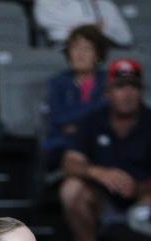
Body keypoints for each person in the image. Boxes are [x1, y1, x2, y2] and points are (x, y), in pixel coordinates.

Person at [60, 58, 151, 241]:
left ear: (141, 91)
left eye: (133, 87)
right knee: (71, 189)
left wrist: (140, 188)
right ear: (107, 92)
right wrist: (98, 172)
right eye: (120, 87)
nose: (127, 93)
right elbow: (69, 163)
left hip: (144, 202)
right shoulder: (93, 120)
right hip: (102, 201)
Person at [43, 24, 108, 171]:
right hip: (64, 145)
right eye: (75, 48)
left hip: (102, 144)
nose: (80, 54)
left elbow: (112, 119)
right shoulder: (57, 82)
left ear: (98, 55)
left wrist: (76, 124)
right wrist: (99, 104)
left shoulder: (109, 81)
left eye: (87, 49)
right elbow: (59, 118)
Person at [34, 0, 132, 47]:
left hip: (104, 49)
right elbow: (44, 20)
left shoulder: (106, 5)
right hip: (66, 49)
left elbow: (126, 39)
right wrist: (93, 30)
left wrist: (96, 32)